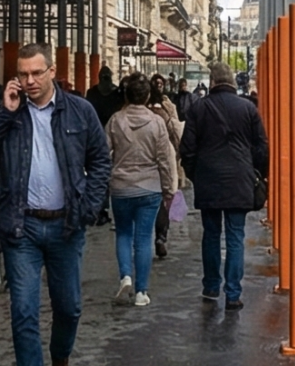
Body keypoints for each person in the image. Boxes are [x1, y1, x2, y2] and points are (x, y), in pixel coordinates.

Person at [0, 42, 111, 366]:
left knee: (69, 307)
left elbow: (100, 159)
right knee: (24, 311)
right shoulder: (9, 113)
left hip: (66, 225)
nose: (29, 81)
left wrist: (88, 207)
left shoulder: (79, 111)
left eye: (36, 73)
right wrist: (3, 112)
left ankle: (61, 356)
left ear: (52, 72)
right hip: (22, 226)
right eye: (23, 74)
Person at [178, 61, 269, 312]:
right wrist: (258, 173)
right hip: (239, 179)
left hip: (208, 177)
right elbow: (261, 146)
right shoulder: (248, 108)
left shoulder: (199, 108)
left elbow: (187, 148)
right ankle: (233, 293)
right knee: (236, 236)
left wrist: (195, 174)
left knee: (211, 234)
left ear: (213, 81)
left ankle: (210, 286)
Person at [105, 75, 180, 307]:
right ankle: (141, 292)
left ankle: (125, 276)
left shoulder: (115, 121)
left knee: (124, 234)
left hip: (120, 187)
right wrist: (169, 189)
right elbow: (164, 160)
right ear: (148, 95)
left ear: (126, 95)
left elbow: (102, 153)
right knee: (144, 237)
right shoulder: (156, 123)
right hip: (149, 188)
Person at [149, 81, 185, 260]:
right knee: (165, 197)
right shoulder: (166, 111)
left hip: (141, 163)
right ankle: (161, 236)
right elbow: (175, 130)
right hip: (165, 156)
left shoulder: (126, 113)